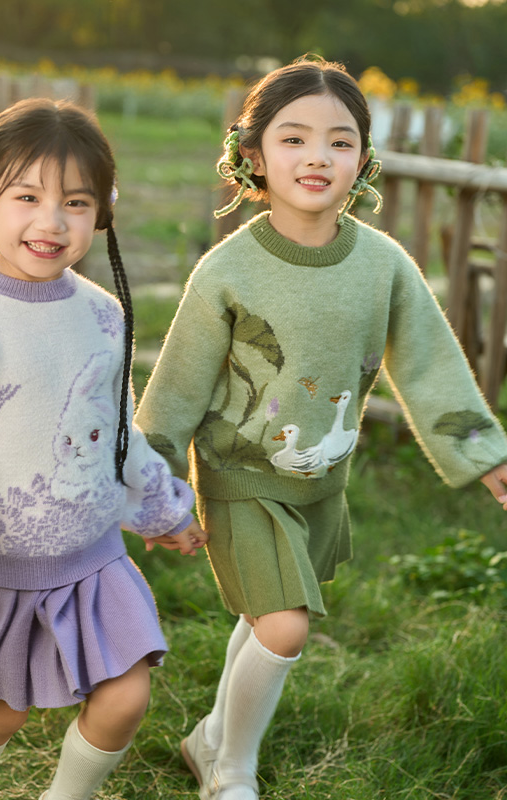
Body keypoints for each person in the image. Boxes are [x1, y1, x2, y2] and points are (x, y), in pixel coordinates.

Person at [134, 55, 507, 800]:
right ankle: (229, 769)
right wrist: (153, 488)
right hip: (241, 479)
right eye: (294, 138)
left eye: (339, 141)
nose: (317, 157)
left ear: (362, 162)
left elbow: (431, 365)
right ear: (253, 155)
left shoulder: (382, 266)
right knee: (286, 626)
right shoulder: (227, 271)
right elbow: (176, 387)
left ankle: (210, 735)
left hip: (320, 480)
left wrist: (483, 454)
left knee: (266, 614)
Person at [0, 97, 207, 800]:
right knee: (4, 710)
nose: (51, 222)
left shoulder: (103, 313)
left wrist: (163, 508)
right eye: (27, 197)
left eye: (76, 202)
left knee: (126, 696)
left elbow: (115, 428)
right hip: (2, 562)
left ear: (101, 213)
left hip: (92, 559)